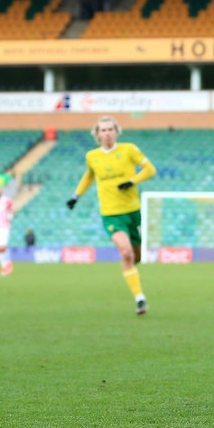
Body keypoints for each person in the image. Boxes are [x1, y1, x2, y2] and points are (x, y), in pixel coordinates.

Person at [66, 116, 156, 314]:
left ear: (116, 131)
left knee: (135, 255)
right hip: (110, 214)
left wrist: (132, 181)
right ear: (97, 134)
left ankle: (131, 268)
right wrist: (76, 196)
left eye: (110, 129)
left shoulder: (129, 149)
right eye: (103, 130)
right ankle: (140, 299)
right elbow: (89, 175)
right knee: (125, 253)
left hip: (132, 211)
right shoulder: (92, 156)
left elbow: (150, 169)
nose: (107, 133)